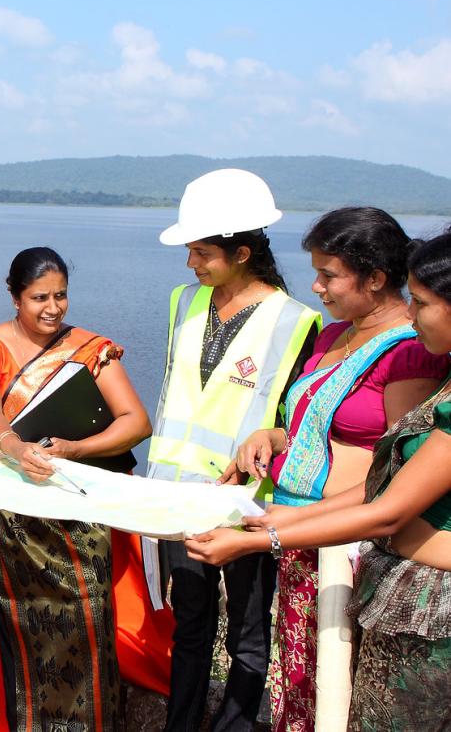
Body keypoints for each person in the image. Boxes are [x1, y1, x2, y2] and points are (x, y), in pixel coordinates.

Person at [185, 228, 451, 730]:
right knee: (304, 677)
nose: (316, 288)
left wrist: (266, 535)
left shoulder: (408, 353)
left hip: (351, 549)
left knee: (338, 687)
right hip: (308, 533)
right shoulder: (337, 335)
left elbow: (389, 486)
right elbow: (338, 432)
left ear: (375, 279)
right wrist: (275, 436)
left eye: (328, 275)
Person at [0, 247, 158, 730]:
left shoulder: (91, 349)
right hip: (17, 515)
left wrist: (76, 448)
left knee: (89, 620)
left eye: (61, 295)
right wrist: (13, 446)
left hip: (80, 511)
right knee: (24, 619)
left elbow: (136, 422)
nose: (53, 308)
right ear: (14, 295)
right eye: (39, 297)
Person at [147, 168, 321, 731]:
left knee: (249, 630)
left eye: (201, 252)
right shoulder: (183, 302)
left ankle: (237, 724)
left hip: (247, 503)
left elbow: (299, 423)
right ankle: (182, 723)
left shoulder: (296, 322)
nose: (191, 264)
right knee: (190, 623)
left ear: (241, 252)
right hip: (177, 497)